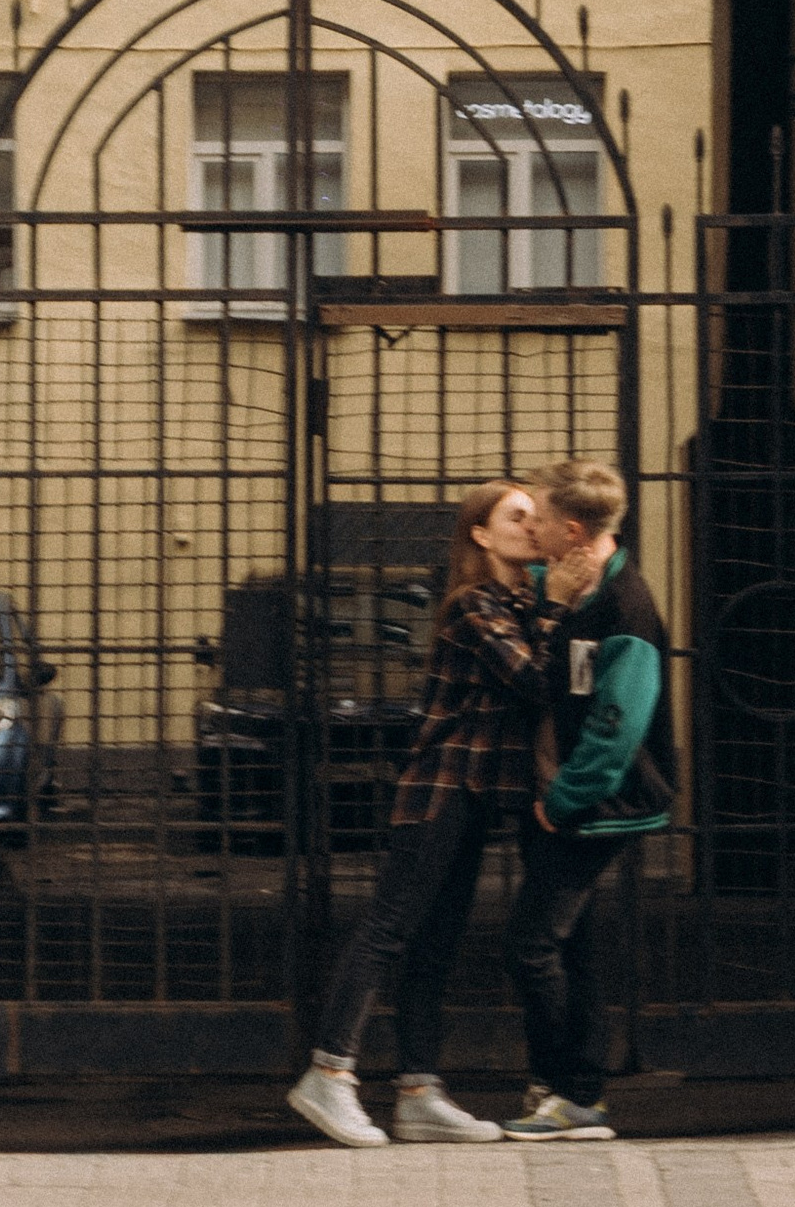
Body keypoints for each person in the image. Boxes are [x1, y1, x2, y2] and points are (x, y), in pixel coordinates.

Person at [288, 479, 591, 1148]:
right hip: (441, 791)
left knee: (436, 944)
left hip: (476, 796)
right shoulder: (473, 604)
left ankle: (420, 1092)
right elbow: (537, 681)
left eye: (535, 515)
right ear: (481, 534)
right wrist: (557, 610)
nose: (532, 524)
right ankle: (329, 1073)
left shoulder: (516, 601)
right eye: (516, 516)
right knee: (390, 927)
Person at [497, 458, 676, 1143]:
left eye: (537, 520)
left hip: (596, 806)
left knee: (531, 944)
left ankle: (569, 1093)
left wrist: (565, 801)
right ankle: (574, 1088)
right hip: (565, 801)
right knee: (571, 948)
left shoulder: (624, 606)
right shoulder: (570, 591)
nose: (531, 530)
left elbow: (617, 722)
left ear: (573, 530)